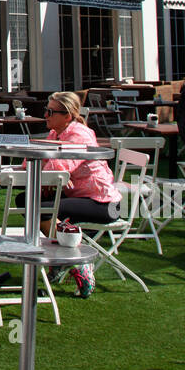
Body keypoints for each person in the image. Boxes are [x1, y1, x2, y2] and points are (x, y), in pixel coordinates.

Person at [36, 91, 119, 299]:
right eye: (46, 111)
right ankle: (65, 258)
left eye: (50, 112)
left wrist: (56, 173)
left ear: (68, 115)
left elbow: (56, 167)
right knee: (26, 201)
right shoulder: (56, 133)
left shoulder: (79, 135)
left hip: (103, 202)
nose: (45, 116)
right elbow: (39, 159)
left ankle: (75, 260)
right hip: (82, 197)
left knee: (40, 207)